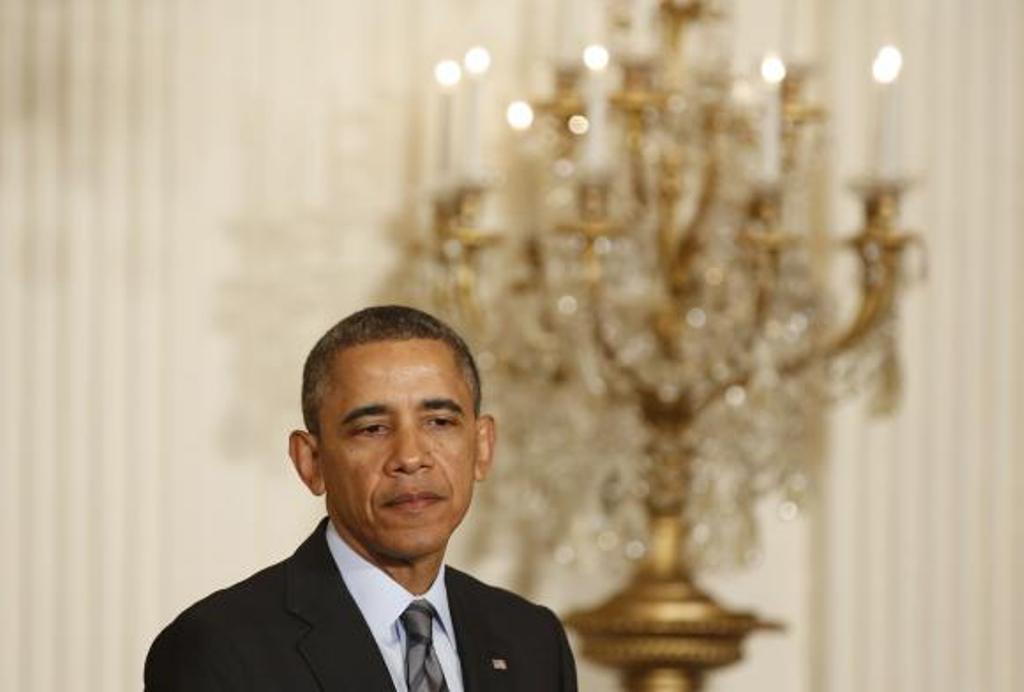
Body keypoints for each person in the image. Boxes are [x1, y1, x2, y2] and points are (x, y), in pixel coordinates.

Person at [144, 305, 578, 691]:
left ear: (482, 447)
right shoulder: (217, 648)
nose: (410, 457)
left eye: (440, 422)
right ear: (311, 461)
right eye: (372, 428)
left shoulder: (532, 641)